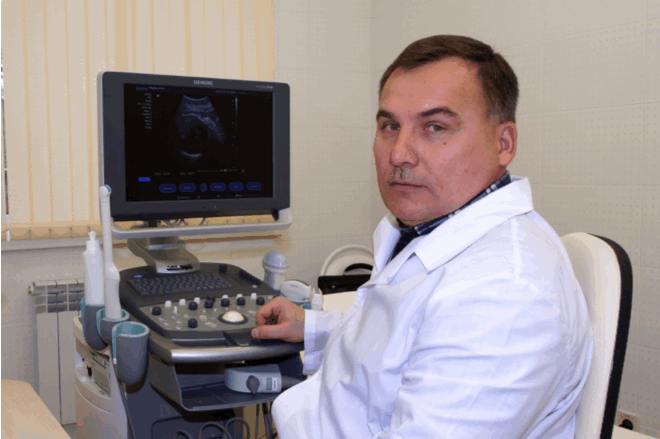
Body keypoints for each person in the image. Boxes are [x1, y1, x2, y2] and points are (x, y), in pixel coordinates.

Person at [251, 35, 594, 438]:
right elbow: (407, 340)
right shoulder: (434, 227)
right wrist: (314, 328)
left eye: (434, 127)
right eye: (390, 126)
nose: (399, 153)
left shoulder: (504, 296)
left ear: (504, 144)